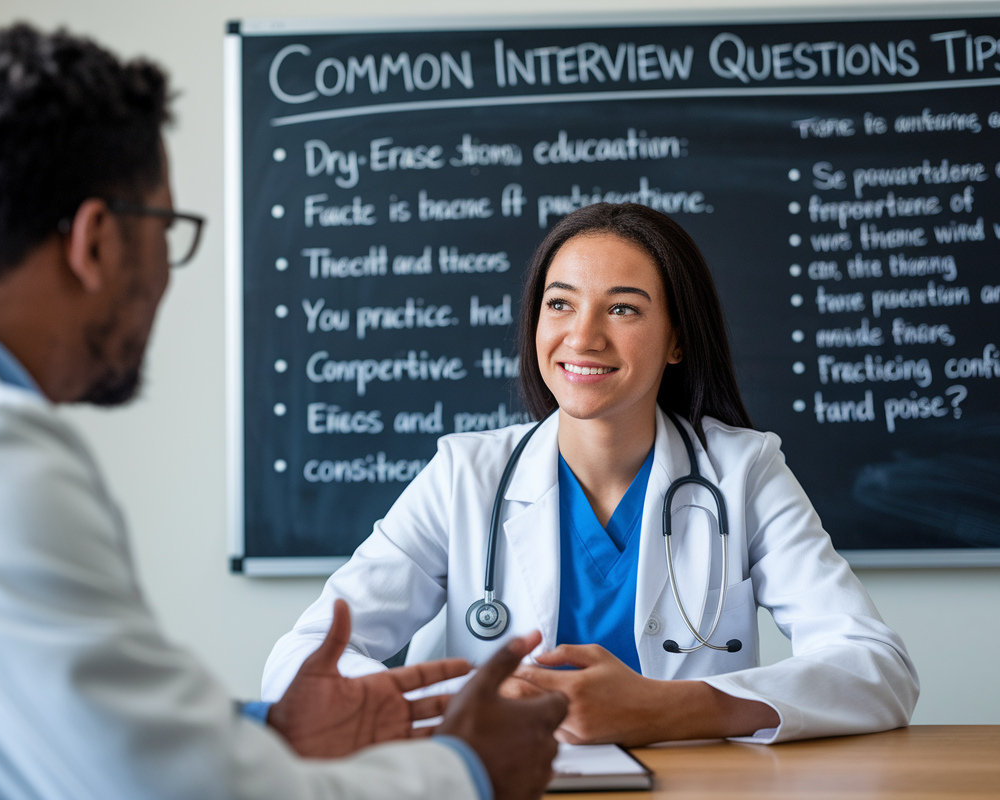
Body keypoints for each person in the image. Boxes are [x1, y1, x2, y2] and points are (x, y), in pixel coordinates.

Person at [0, 24, 569, 800]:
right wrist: (466, 773)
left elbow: (57, 730)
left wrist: (269, 734)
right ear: (96, 242)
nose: (164, 277)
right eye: (167, 232)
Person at [263, 202, 920, 746]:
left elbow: (876, 671)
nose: (583, 337)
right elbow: (302, 662)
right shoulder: (465, 475)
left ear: (677, 340)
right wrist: (467, 700)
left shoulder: (743, 472)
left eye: (624, 309)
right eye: (560, 305)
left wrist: (668, 708)